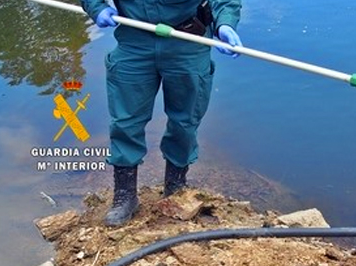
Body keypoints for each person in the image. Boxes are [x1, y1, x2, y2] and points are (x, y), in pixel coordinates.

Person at [81, 0, 242, 226]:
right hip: (134, 38)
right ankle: (125, 195)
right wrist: (97, 8)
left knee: (185, 122)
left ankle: (175, 187)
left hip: (187, 41)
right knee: (125, 121)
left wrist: (225, 24)